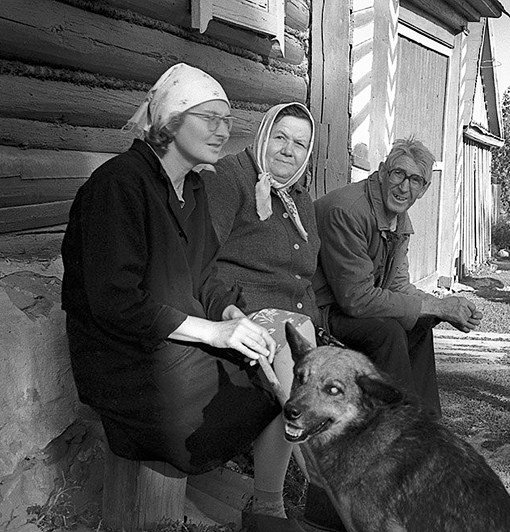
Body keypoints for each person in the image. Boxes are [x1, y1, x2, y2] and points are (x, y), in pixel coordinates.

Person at [60, 64, 299, 489]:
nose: (223, 131)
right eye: (209, 119)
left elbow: (204, 276)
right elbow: (116, 302)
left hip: (176, 341)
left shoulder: (194, 188)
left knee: (279, 347)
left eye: (227, 120)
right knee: (260, 384)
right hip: (129, 359)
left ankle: (273, 500)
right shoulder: (118, 185)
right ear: (170, 121)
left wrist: (228, 314)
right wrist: (214, 333)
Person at [304, 137, 483, 531]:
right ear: (383, 172)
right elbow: (355, 299)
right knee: (386, 331)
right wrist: (438, 305)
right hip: (320, 313)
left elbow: (399, 287)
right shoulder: (348, 210)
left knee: (419, 323)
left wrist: (443, 308)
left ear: (424, 189)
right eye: (398, 174)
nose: (404, 187)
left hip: (352, 309)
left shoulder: (399, 221)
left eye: (416, 180)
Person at [203, 102, 319, 521]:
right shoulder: (231, 178)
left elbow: (304, 276)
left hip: (296, 325)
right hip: (241, 315)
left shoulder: (300, 200)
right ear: (263, 135)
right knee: (295, 357)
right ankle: (289, 492)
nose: (288, 150)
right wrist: (227, 310)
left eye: (299, 144)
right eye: (280, 137)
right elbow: (203, 260)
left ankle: (291, 498)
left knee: (311, 362)